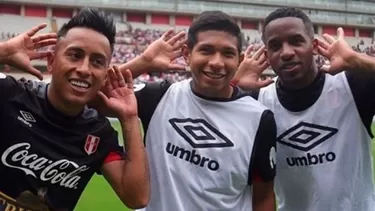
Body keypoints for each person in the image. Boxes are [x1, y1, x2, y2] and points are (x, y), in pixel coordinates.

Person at [119, 10, 277, 211]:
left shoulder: (260, 119)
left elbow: (263, 197)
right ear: (187, 54)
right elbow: (92, 94)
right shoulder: (157, 97)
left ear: (239, 59)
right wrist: (143, 62)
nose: (216, 62)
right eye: (206, 50)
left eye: (228, 53)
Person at [0, 8, 149, 211]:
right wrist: (4, 52)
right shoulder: (9, 94)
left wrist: (129, 117)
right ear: (51, 61)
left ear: (105, 74)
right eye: (75, 55)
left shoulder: (99, 134)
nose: (84, 69)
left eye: (97, 62)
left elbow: (136, 197)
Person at [234, 7, 375, 211]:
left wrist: (356, 60)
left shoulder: (351, 86)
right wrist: (233, 86)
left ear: (314, 46)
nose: (287, 52)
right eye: (275, 46)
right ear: (267, 55)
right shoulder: (257, 99)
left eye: (296, 41)